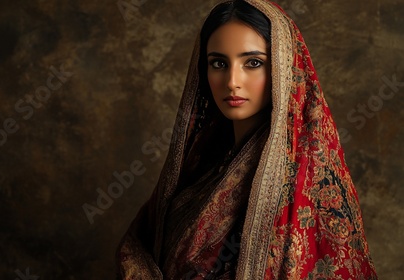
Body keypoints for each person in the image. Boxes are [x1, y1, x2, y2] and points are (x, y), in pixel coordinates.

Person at [116, 0, 378, 279]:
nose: (232, 80)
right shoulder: (197, 165)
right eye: (218, 63)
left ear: (284, 67)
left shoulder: (312, 181)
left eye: (253, 63)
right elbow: (140, 244)